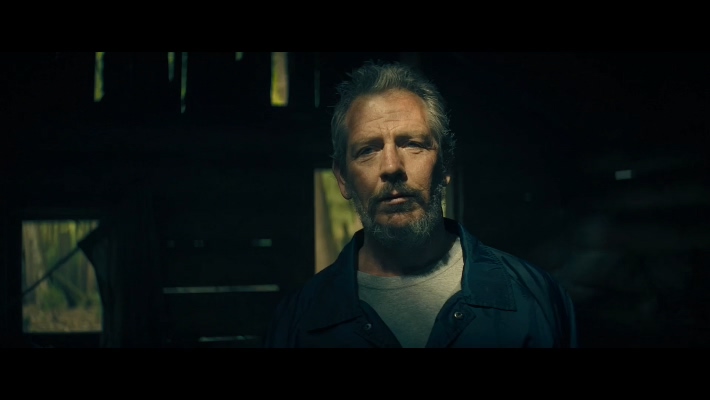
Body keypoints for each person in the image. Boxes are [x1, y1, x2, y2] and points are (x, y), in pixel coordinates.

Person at [264, 60, 577, 348]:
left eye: (412, 144)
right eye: (368, 150)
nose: (391, 166)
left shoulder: (535, 299)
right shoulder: (297, 323)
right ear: (343, 179)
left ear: (446, 166)